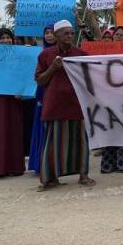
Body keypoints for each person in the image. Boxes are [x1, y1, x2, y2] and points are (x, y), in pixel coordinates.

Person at [34, 20, 95, 190]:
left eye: (72, 33)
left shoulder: (81, 55)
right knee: (52, 144)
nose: (70, 36)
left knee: (80, 141)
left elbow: (92, 75)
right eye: (66, 33)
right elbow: (40, 80)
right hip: (54, 105)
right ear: (57, 35)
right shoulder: (46, 55)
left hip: (77, 104)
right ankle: (50, 179)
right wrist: (53, 68)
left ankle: (83, 175)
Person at [98, 26, 123, 174]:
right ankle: (108, 164)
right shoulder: (103, 51)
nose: (118, 37)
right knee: (109, 129)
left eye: (121, 35)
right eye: (116, 34)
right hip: (107, 96)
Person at [0, 28, 25, 177]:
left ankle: (15, 167)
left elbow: (25, 75)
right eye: (2, 38)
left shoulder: (20, 56)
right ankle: (0, 168)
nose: (6, 40)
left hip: (14, 99)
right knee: (0, 131)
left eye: (8, 37)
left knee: (13, 131)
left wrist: (23, 91)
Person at [28, 26, 56, 174]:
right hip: (41, 93)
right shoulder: (37, 52)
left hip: (56, 94)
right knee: (41, 126)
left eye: (52, 32)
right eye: (47, 33)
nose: (49, 36)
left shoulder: (62, 52)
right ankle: (39, 163)